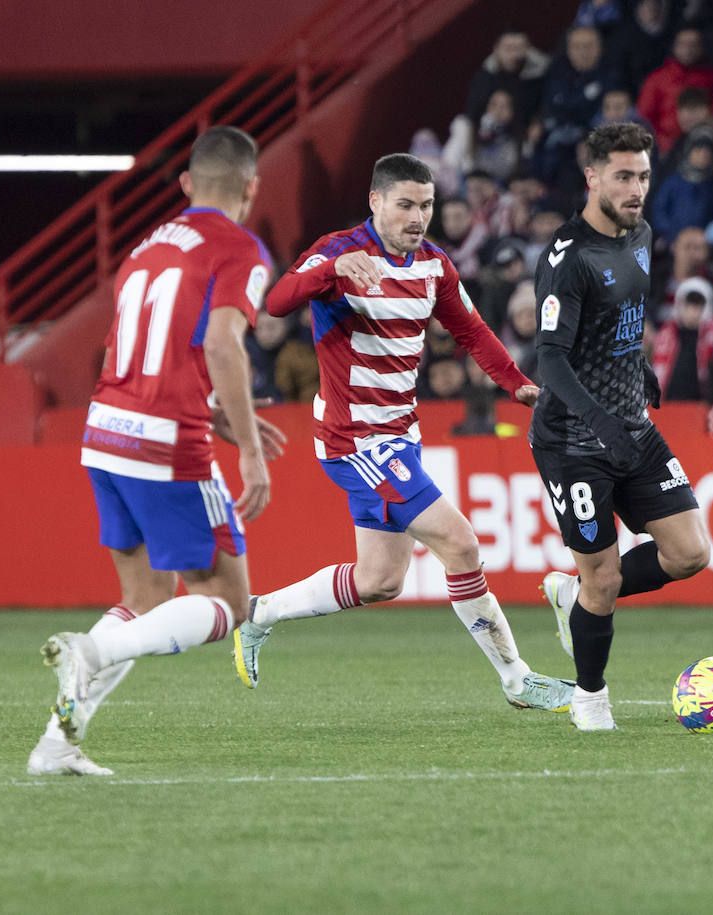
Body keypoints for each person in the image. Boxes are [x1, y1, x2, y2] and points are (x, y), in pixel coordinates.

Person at [232, 153, 575, 714]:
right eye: (407, 205)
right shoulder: (339, 252)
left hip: (400, 434)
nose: (419, 217)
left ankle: (260, 612)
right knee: (461, 543)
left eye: (427, 205)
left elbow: (471, 329)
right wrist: (330, 273)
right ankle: (518, 679)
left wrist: (516, 385)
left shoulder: (435, 265)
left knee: (380, 581)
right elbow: (274, 302)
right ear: (376, 202)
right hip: (355, 439)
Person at [34, 126, 284, 775]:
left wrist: (216, 416)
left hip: (105, 429)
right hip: (165, 443)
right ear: (251, 187)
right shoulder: (241, 248)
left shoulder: (146, 248)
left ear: (184, 186)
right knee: (228, 602)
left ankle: (58, 743)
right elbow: (223, 344)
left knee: (144, 598)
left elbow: (142, 354)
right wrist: (250, 446)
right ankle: (89, 652)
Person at [531, 123, 710, 731]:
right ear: (593, 178)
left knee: (690, 553)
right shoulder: (569, 257)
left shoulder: (641, 238)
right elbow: (551, 359)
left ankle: (573, 593)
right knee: (603, 578)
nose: (637, 189)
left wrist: (641, 368)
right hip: (572, 440)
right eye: (624, 177)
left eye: (643, 176)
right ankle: (590, 698)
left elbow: (621, 322)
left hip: (630, 423)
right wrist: (600, 420)